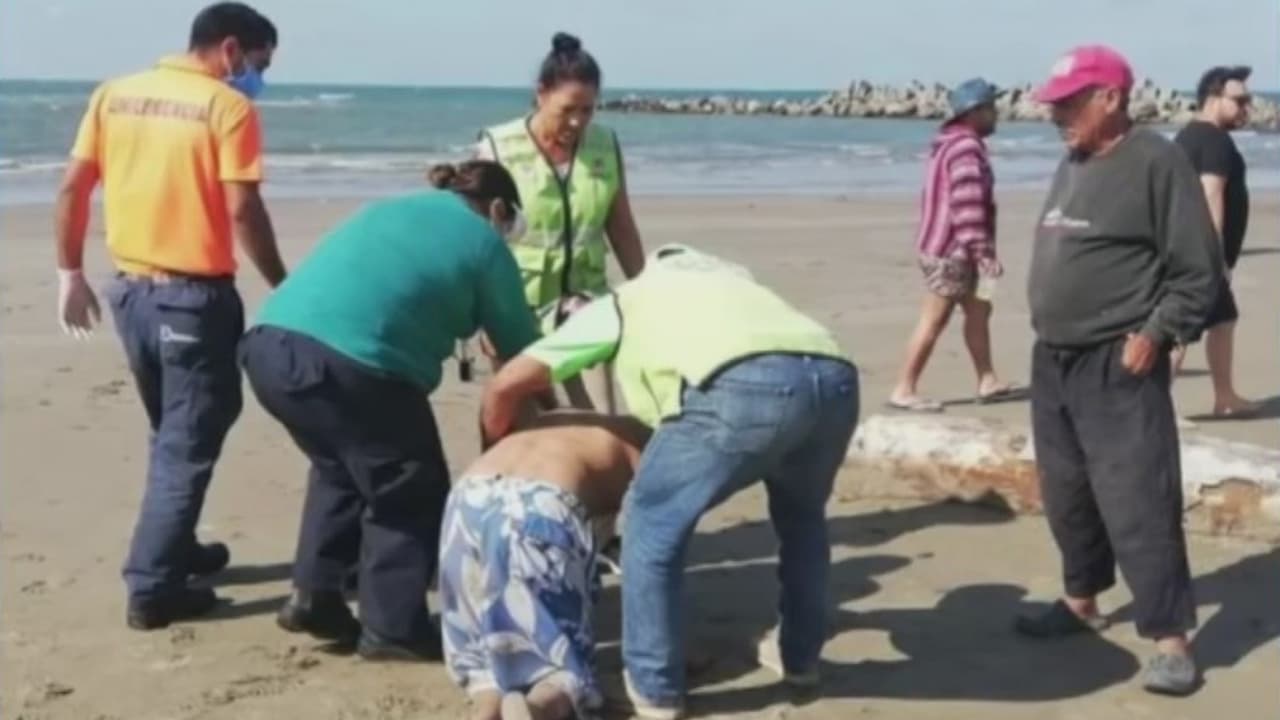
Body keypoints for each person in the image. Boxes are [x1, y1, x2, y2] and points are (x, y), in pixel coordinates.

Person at [481, 245, 860, 719]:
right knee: (803, 519)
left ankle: (654, 688)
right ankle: (800, 659)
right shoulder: (743, 287)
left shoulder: (632, 298)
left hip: (739, 386)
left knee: (650, 525)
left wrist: (495, 450)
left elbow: (509, 380)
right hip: (836, 376)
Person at [238, 161, 540, 661]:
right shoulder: (484, 241)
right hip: (354, 363)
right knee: (410, 489)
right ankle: (393, 629)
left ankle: (315, 595)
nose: (506, 236)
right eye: (510, 227)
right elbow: (524, 351)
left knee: (339, 469)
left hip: (268, 344)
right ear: (499, 210)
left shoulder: (391, 207)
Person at [54, 1, 286, 630]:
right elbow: (244, 212)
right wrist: (283, 286)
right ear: (232, 49)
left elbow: (74, 187)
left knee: (172, 426)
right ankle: (153, 585)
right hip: (193, 295)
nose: (258, 78)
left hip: (130, 293)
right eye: (259, 63)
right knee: (191, 436)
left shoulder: (116, 93)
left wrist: (69, 272)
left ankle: (177, 545)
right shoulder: (227, 107)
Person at [1017, 45, 1222, 697]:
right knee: (1067, 490)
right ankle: (1083, 600)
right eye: (1053, 103)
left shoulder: (1157, 161)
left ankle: (1171, 639)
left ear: (1110, 97)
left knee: (1138, 498)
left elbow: (1198, 272)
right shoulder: (1073, 158)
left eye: (1069, 102)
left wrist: (1157, 333)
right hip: (1054, 358)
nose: (1057, 114)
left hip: (1118, 359)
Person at [440, 410, 651, 720]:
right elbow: (650, 554)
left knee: (480, 658)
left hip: (468, 496)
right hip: (539, 507)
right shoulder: (648, 445)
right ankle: (541, 706)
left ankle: (487, 707)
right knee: (558, 661)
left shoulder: (561, 421)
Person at [475, 31, 646, 413]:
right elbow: (481, 240)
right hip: (518, 311)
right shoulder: (498, 147)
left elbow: (621, 227)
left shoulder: (604, 144)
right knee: (523, 427)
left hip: (587, 308)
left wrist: (645, 292)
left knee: (601, 422)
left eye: (587, 110)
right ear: (541, 93)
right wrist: (484, 316)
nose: (576, 121)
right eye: (567, 109)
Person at [888, 77, 1017, 412]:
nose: (997, 114)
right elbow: (968, 204)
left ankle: (987, 379)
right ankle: (904, 387)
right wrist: (984, 253)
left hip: (960, 250)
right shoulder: (965, 148)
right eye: (991, 108)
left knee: (979, 311)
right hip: (953, 253)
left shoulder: (950, 144)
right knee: (934, 318)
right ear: (974, 112)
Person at [1172, 66, 1257, 417]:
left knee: (1223, 319)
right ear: (1213, 98)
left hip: (1181, 246)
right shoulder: (1215, 141)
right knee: (1180, 328)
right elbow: (1210, 196)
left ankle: (1225, 397)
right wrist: (1215, 257)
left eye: (1248, 101)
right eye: (1238, 100)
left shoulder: (1186, 137)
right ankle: (1157, 407)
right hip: (1199, 253)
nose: (1246, 108)